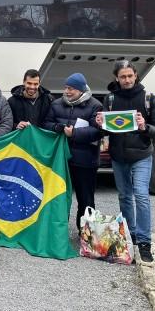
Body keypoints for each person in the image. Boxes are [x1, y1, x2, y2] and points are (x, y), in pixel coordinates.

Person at [96, 60, 155, 264]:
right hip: (119, 158)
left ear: (136, 76)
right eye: (122, 77)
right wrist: (99, 125)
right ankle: (130, 236)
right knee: (125, 197)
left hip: (142, 155)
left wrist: (145, 127)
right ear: (116, 78)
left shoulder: (148, 98)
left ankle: (144, 243)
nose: (126, 80)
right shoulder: (109, 99)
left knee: (141, 196)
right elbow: (105, 130)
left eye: (130, 76)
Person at [43, 73, 102, 231]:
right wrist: (57, 128)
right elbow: (47, 123)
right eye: (66, 88)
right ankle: (58, 231)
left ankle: (86, 232)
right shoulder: (56, 104)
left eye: (71, 89)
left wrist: (74, 133)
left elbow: (97, 131)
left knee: (86, 199)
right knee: (59, 197)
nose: (67, 91)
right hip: (61, 159)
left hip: (85, 160)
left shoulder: (95, 105)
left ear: (81, 90)